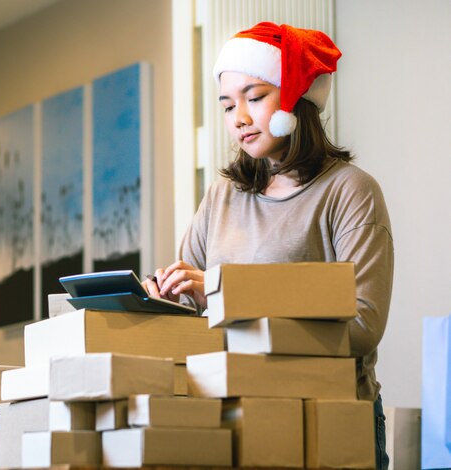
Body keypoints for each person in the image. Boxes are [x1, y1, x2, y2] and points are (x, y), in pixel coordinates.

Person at [143, 22, 393, 469]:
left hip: (329, 418)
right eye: (227, 106)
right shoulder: (221, 196)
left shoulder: (350, 191)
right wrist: (166, 296)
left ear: (297, 99)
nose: (238, 118)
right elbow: (192, 311)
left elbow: (363, 326)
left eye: (254, 98)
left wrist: (225, 293)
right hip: (233, 413)